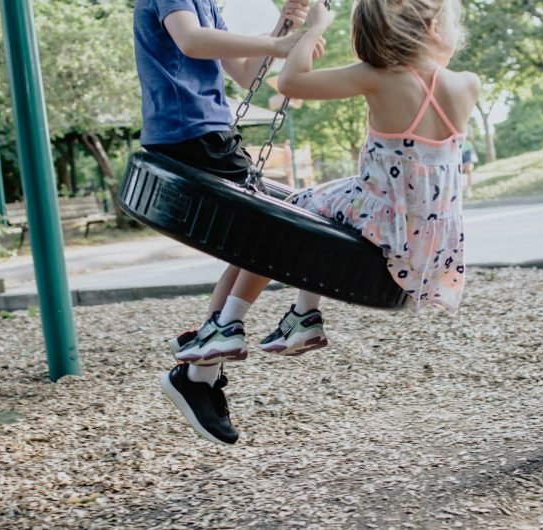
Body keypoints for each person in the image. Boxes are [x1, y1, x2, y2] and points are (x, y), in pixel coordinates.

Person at [165, 0, 481, 445]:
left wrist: (313, 29)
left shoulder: (376, 77)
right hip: (428, 245)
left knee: (290, 215)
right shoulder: (467, 84)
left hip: (378, 216)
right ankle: (301, 315)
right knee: (316, 216)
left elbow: (290, 82)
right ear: (431, 27)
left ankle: (232, 321)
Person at [134, 0, 325, 445]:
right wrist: (279, 42)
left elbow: (244, 74)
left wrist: (289, 26)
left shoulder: (208, 5)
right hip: (190, 135)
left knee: (256, 244)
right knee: (277, 231)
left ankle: (202, 371)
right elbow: (190, 40)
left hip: (209, 134)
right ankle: (209, 365)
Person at [462, 125, 478, 197]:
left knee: (469, 171)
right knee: (458, 172)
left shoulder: (468, 126)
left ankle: (468, 189)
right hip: (458, 151)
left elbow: (471, 137)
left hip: (467, 150)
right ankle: (459, 189)